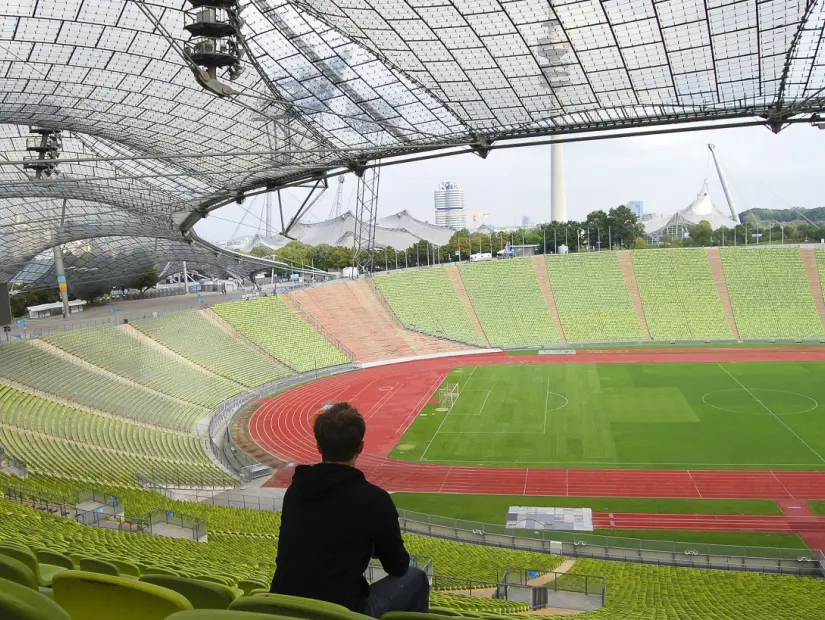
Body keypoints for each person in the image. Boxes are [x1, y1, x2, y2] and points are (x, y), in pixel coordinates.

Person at [270, 403, 428, 618]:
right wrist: (372, 545)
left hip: (282, 606)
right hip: (339, 612)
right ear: (361, 447)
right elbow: (397, 566)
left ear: (319, 447)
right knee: (417, 578)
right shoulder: (375, 500)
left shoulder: (296, 490)